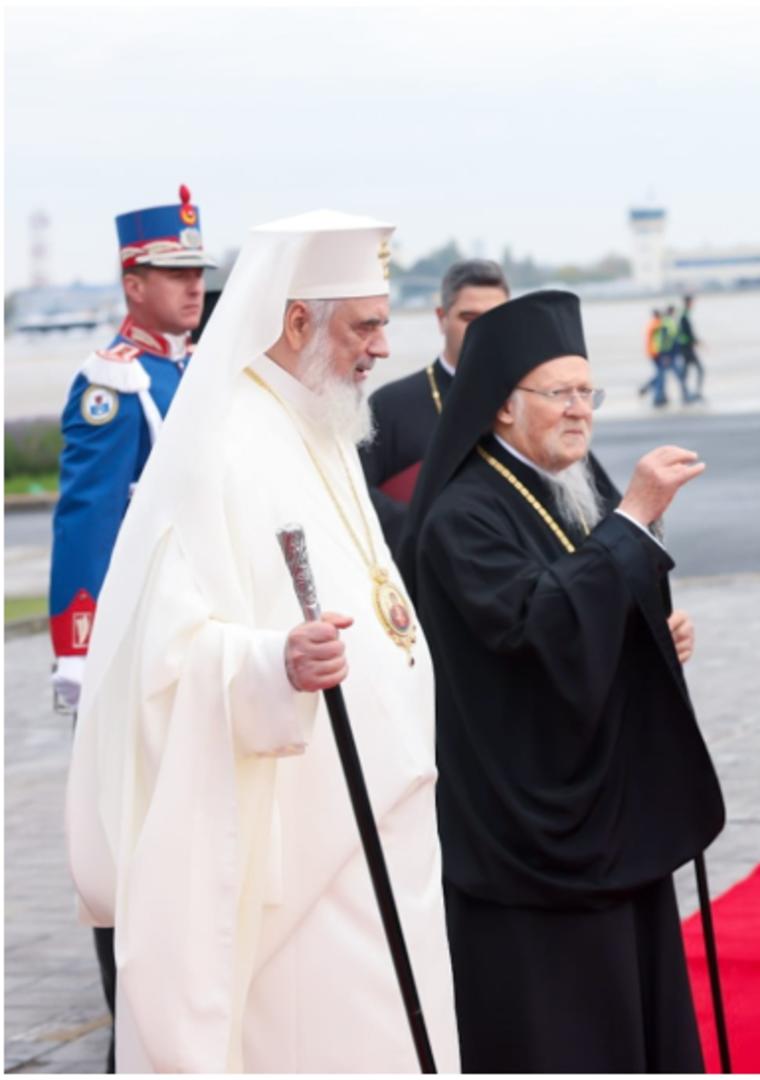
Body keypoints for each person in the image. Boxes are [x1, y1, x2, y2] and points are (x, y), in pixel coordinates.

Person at [65, 210, 459, 1071]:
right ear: (295, 323)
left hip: (388, 831)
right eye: (367, 325)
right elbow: (160, 663)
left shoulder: (322, 423)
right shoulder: (221, 447)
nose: (383, 348)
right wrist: (269, 666)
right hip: (302, 858)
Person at [404, 290, 724, 1071]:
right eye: (562, 393)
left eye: (589, 392)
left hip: (605, 801)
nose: (582, 411)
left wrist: (657, 630)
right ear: (505, 408)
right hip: (527, 821)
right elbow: (536, 630)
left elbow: (599, 597)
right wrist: (638, 514)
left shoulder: (575, 482)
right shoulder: (463, 514)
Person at [47, 184, 216, 1071]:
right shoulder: (115, 380)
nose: (193, 287)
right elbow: (86, 523)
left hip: (192, 641)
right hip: (133, 651)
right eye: (174, 272)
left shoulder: (185, 370)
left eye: (197, 271)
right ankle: (134, 1037)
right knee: (134, 846)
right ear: (132, 279)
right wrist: (80, 649)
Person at [359, 258, 509, 549]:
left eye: (496, 317)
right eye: (469, 318)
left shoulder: (530, 400)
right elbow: (354, 493)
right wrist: (435, 533)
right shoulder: (390, 406)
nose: (485, 330)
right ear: (441, 318)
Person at [676, 292, 706, 403]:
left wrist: (695, 340)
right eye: (691, 302)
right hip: (687, 348)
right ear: (688, 302)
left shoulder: (684, 314)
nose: (693, 304)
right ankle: (695, 394)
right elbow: (686, 332)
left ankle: (686, 395)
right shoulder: (684, 315)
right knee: (699, 370)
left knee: (686, 372)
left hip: (686, 347)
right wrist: (695, 341)